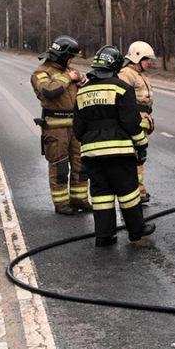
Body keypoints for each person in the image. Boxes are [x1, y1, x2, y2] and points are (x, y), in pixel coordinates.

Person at [73, 46, 155, 247]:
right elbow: (131, 123)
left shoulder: (82, 91)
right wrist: (141, 145)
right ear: (116, 66)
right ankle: (136, 231)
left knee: (101, 194)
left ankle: (104, 235)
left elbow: (78, 128)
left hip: (91, 153)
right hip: (119, 151)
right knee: (128, 191)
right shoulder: (121, 88)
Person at [30, 35, 92, 215]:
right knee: (60, 166)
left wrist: (83, 83)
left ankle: (80, 200)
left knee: (81, 165)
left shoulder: (70, 71)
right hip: (55, 129)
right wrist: (68, 77)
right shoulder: (41, 72)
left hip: (76, 127)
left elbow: (80, 84)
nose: (72, 60)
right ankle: (62, 203)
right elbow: (50, 91)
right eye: (70, 57)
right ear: (62, 55)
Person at [119, 40, 157, 204]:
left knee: (139, 157)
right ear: (137, 57)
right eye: (146, 58)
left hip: (141, 121)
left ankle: (139, 190)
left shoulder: (138, 74)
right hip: (134, 121)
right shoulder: (126, 74)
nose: (149, 62)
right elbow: (123, 100)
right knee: (135, 157)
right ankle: (136, 192)